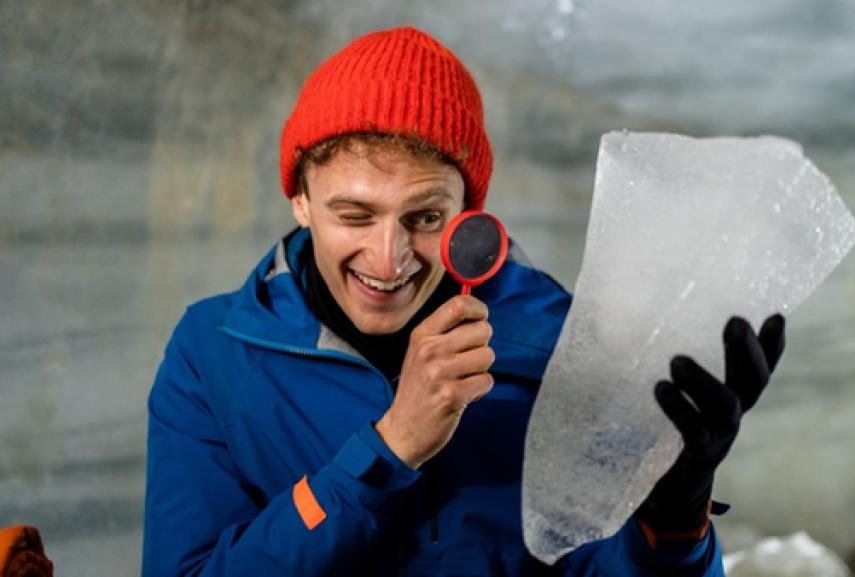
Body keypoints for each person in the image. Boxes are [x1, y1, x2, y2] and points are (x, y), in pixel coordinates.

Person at [141, 26, 785, 577]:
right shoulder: (210, 353)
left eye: (424, 217)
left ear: (470, 214)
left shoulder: (565, 345)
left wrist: (674, 519)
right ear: (301, 201)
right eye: (354, 215)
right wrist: (388, 449)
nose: (388, 257)